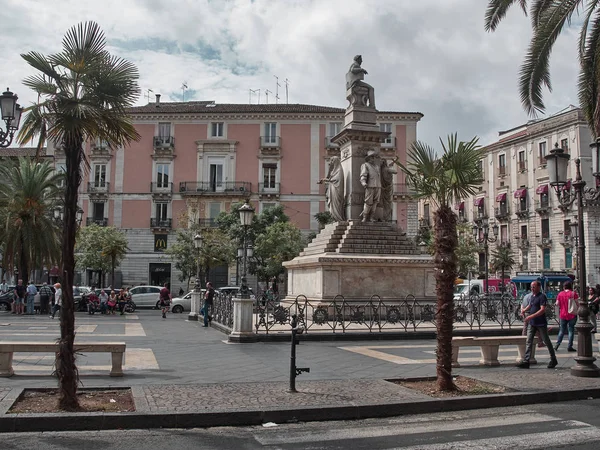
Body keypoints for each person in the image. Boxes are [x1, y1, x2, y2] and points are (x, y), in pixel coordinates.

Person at [517, 280, 558, 369]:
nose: (532, 288)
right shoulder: (532, 296)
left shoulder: (542, 296)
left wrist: (531, 316)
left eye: (534, 287)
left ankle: (553, 359)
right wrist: (524, 310)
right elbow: (531, 305)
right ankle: (526, 361)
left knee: (546, 341)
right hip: (532, 323)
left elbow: (542, 309)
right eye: (531, 287)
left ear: (539, 287)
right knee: (529, 341)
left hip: (540, 323)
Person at [554, 280, 578, 352]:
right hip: (572, 314)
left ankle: (557, 344)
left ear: (564, 287)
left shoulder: (560, 294)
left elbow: (557, 304)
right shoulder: (573, 294)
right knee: (571, 330)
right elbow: (578, 303)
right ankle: (569, 346)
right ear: (571, 286)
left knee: (561, 330)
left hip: (563, 314)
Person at [319, 156, 345, 222]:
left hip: (337, 190)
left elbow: (337, 179)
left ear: (336, 161)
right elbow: (331, 179)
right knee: (332, 204)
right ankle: (334, 218)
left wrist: (326, 179)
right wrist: (325, 179)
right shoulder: (334, 171)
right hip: (332, 188)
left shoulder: (339, 170)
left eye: (332, 161)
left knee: (336, 204)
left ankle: (338, 217)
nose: (331, 163)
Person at [359, 150, 382, 222]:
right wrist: (363, 182)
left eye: (374, 157)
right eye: (372, 157)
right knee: (368, 202)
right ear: (368, 158)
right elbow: (363, 175)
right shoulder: (365, 165)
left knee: (375, 202)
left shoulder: (377, 167)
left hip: (378, 185)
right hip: (370, 185)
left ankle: (372, 217)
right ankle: (365, 217)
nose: (374, 159)